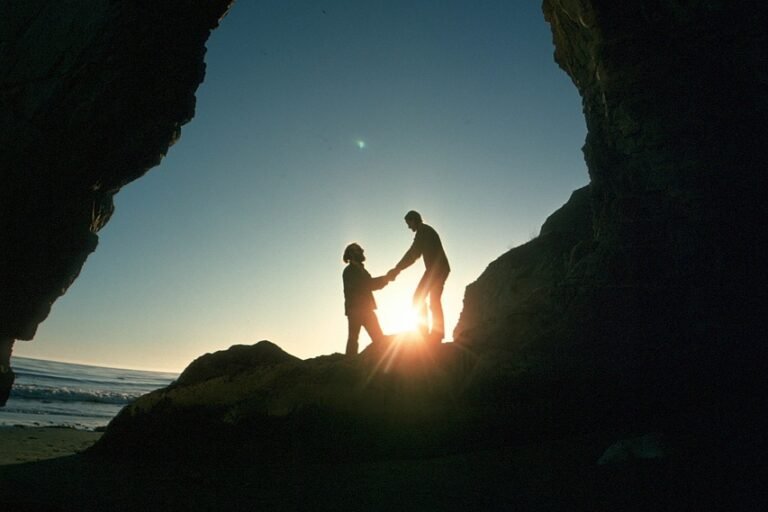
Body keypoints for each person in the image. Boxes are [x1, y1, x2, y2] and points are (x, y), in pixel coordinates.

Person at [388, 210, 450, 343]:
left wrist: (397, 269)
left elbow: (413, 254)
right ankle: (436, 334)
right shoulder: (426, 231)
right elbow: (414, 253)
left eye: (408, 223)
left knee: (418, 298)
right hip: (438, 269)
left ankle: (425, 333)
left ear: (414, 220)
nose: (409, 227)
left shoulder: (423, 232)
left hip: (436, 270)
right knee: (434, 301)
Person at [342, 243, 393, 355]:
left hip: (365, 309)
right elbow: (367, 284)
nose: (362, 251)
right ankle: (349, 365)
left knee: (377, 337)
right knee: (353, 340)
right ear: (351, 254)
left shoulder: (362, 270)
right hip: (356, 309)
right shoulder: (349, 271)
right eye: (358, 250)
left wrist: (386, 279)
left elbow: (370, 284)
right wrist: (386, 279)